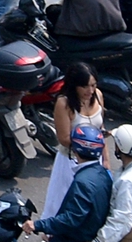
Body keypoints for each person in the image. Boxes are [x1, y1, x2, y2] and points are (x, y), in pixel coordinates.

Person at [32, 123, 111, 242]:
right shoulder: (101, 174)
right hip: (85, 239)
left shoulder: (83, 181)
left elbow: (70, 219)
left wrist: (38, 225)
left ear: (76, 150)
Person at [44, 60, 107, 214]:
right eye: (85, 86)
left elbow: (101, 131)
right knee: (62, 205)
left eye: (93, 85)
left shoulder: (98, 95)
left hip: (94, 160)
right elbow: (64, 139)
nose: (90, 90)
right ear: (74, 85)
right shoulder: (63, 103)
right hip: (71, 162)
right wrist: (89, 141)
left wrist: (106, 162)